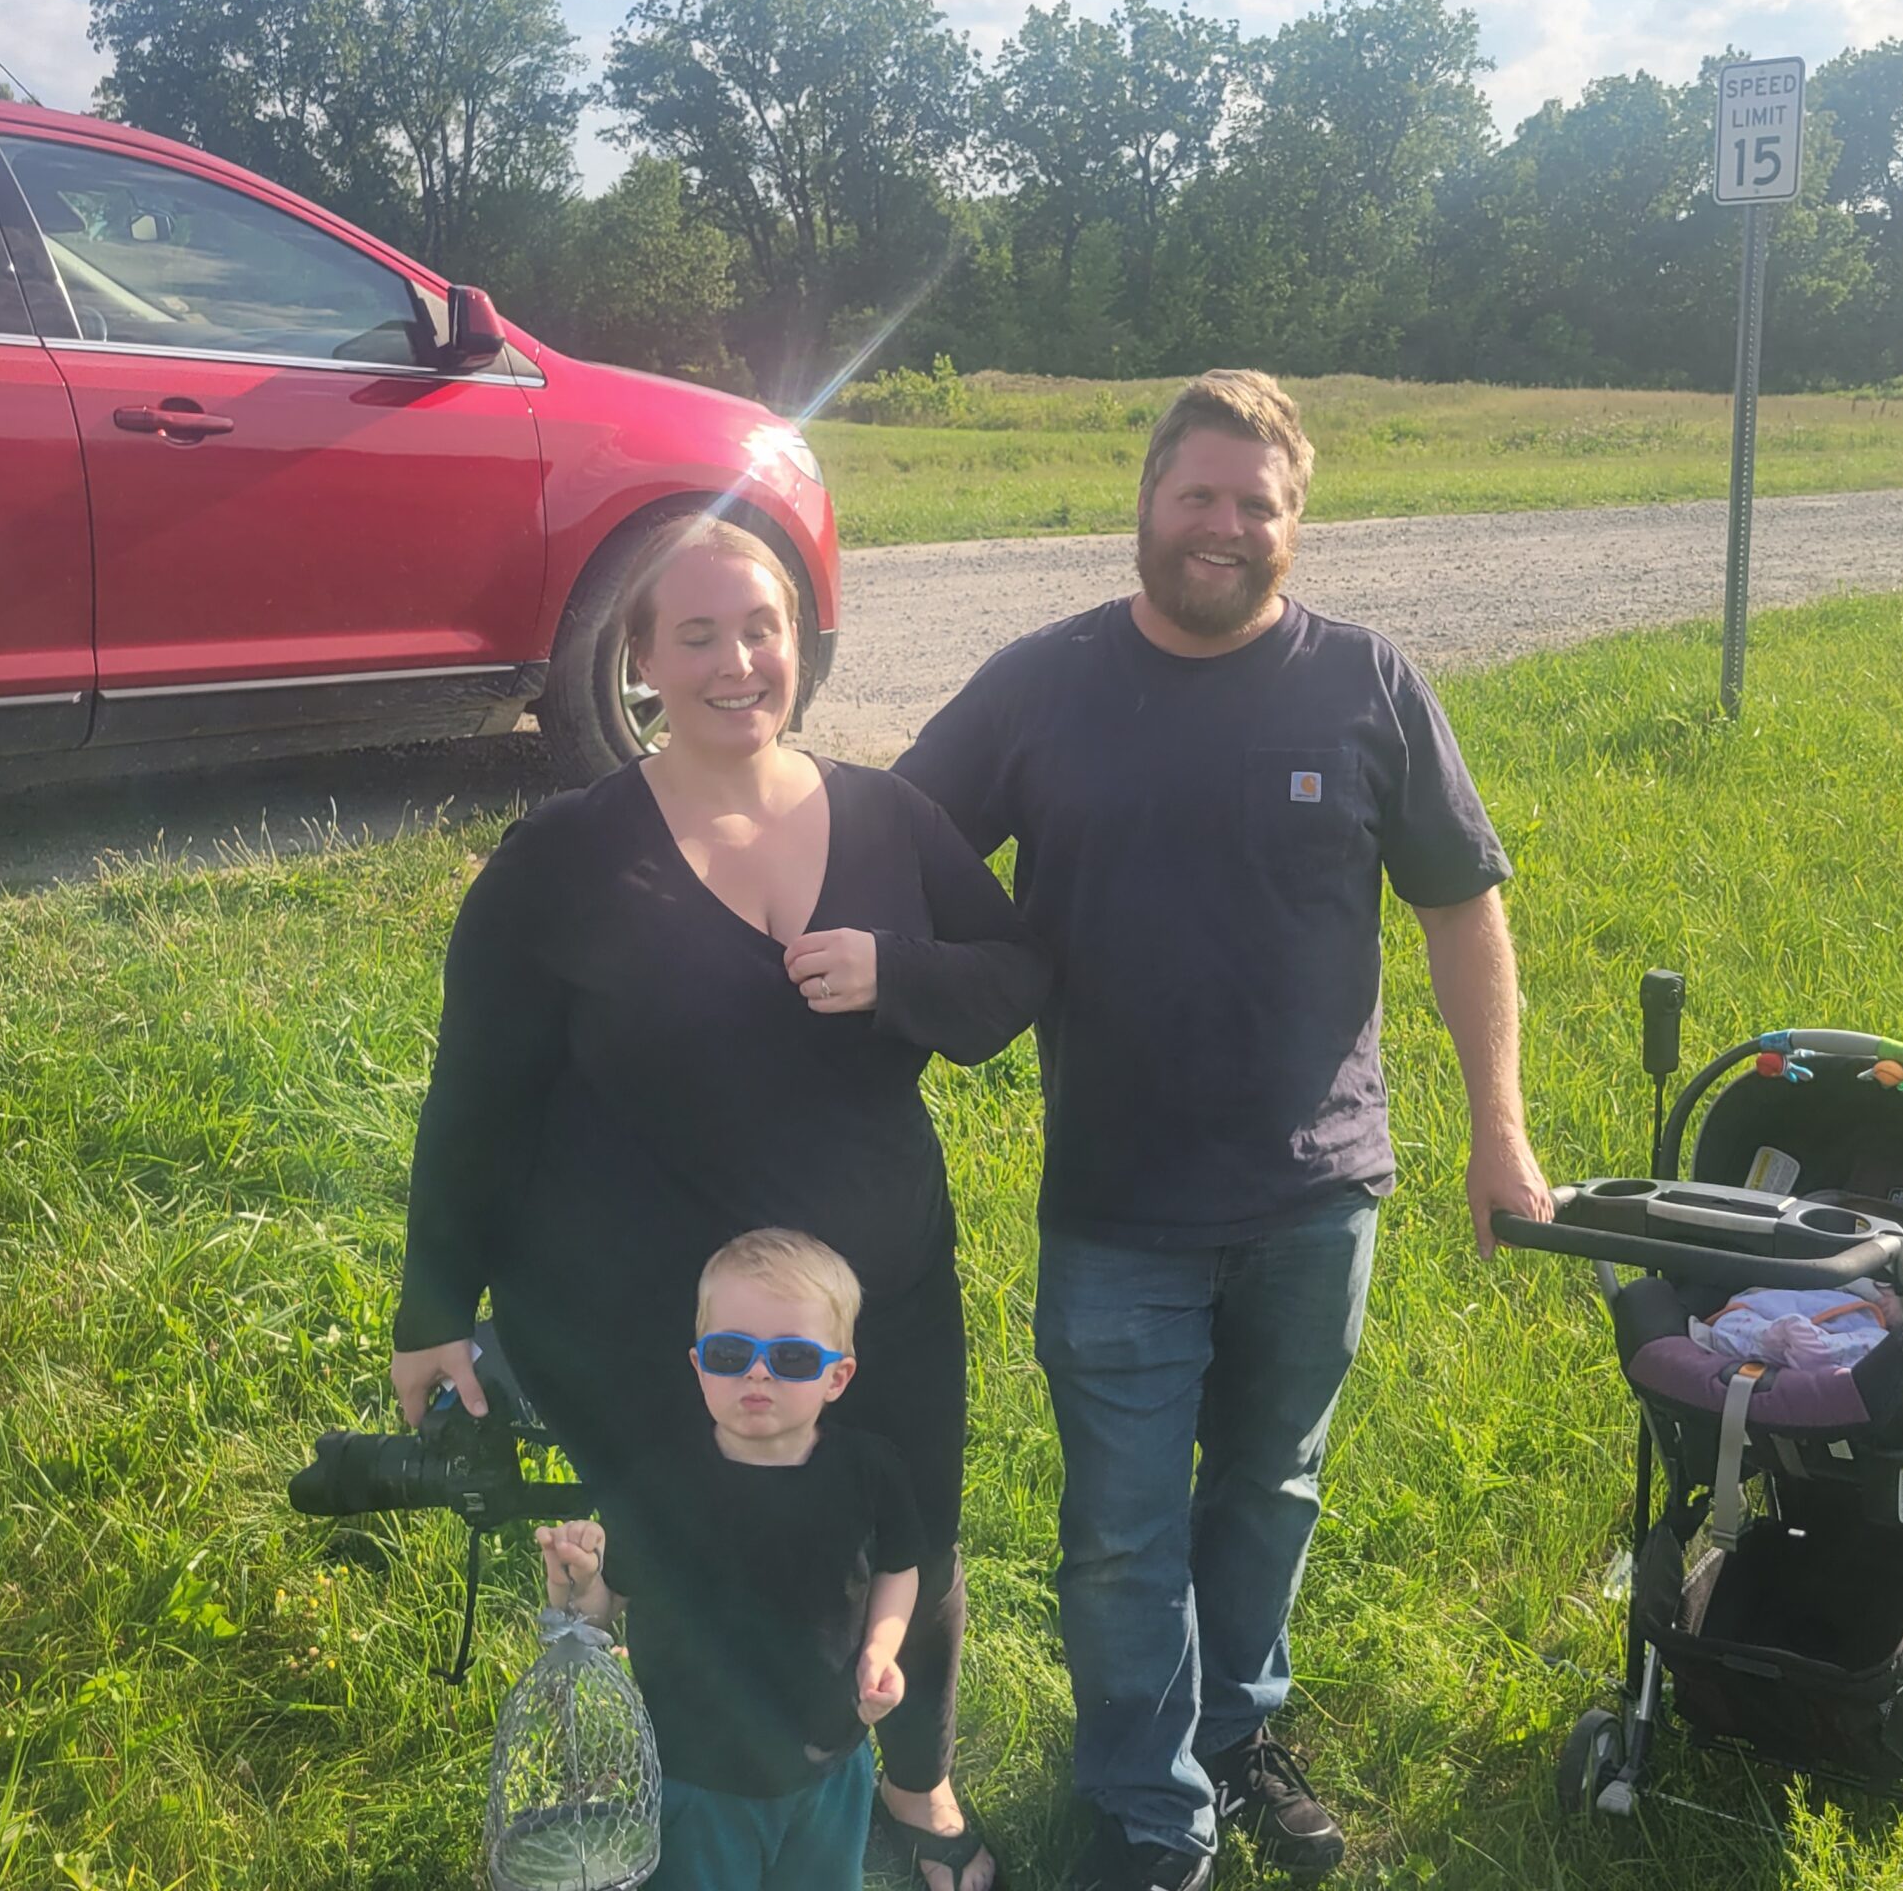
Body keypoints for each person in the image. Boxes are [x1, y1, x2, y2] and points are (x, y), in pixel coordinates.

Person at [896, 370, 1554, 1891]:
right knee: (1123, 1534)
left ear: (1294, 524)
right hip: (1116, 1202)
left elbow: (1462, 906)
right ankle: (1148, 1807)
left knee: (1270, 1490)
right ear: (1144, 503)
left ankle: (1235, 1734)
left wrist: (1499, 1134)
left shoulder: (1366, 683)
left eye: (1257, 503)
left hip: (1318, 1195)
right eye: (1196, 493)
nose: (1223, 525)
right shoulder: (1042, 685)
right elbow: (895, 839)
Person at [392, 515, 1044, 1891]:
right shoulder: (564, 857)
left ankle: (914, 1785)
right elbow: (477, 1097)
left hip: (882, 1302)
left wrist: (899, 974)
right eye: (696, 635)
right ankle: (704, 1794)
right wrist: (433, 1307)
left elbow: (1012, 978)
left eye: (762, 629)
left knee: (909, 1539)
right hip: (660, 1325)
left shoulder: (887, 818)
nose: (737, 662)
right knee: (696, 1558)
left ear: (800, 644)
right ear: (640, 660)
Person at [535, 1228, 924, 1890]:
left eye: (793, 1357)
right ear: (699, 1366)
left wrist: (881, 1650)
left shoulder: (869, 1473)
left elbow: (900, 1566)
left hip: (831, 1759)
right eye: (730, 1352)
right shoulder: (660, 1484)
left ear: (837, 1377)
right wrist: (578, 1583)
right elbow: (603, 1613)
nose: (757, 1372)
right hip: (697, 1774)